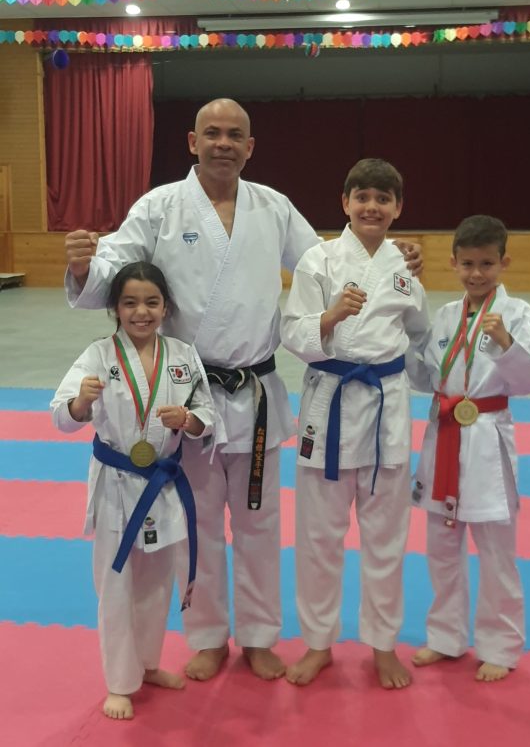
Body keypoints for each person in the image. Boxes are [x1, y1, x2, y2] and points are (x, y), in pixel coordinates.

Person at [63, 98, 423, 682]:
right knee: (198, 520)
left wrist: (390, 256)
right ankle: (207, 636)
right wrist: (84, 268)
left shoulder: (273, 207)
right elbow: (116, 268)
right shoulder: (158, 207)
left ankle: (258, 636)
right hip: (189, 395)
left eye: (235, 135)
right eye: (212, 133)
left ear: (250, 147)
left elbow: (329, 261)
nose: (223, 143)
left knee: (258, 524)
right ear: (192, 141)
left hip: (255, 392)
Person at [280, 158, 430, 689]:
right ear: (344, 202)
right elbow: (291, 331)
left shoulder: (403, 270)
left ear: (397, 208)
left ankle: (383, 645)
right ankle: (318, 643)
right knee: (318, 537)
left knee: (386, 538)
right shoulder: (317, 261)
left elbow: (420, 336)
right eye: (362, 196)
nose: (372, 206)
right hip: (329, 405)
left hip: (387, 410)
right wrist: (330, 316)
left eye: (383, 199)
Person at [50, 262, 219, 719]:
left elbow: (207, 413)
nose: (141, 312)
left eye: (151, 302)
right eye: (130, 303)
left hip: (163, 485)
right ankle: (119, 683)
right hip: (117, 485)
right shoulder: (98, 355)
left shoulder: (182, 355)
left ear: (166, 307)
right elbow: (60, 415)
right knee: (117, 585)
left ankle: (147, 664)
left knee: (156, 583)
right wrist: (81, 403)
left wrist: (189, 420)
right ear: (115, 308)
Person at [410, 215, 530, 682]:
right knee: (441, 547)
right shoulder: (447, 316)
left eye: (487, 263)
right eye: (467, 264)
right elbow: (425, 375)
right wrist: (401, 340)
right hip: (443, 434)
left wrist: (506, 342)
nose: (477, 273)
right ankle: (445, 637)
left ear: (504, 262)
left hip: (487, 437)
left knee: (496, 552)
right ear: (453, 263)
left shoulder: (518, 314)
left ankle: (500, 645)